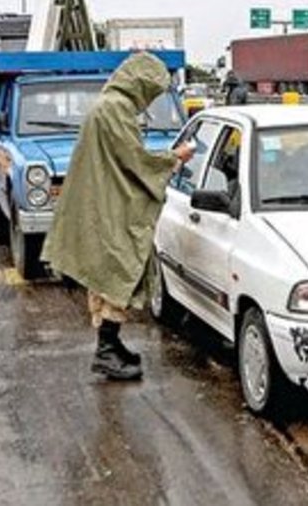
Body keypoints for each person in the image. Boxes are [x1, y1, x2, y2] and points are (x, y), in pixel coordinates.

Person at [42, 52, 194, 381]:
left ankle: (109, 344)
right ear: (140, 85)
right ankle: (107, 349)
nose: (149, 102)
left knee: (105, 272)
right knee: (120, 267)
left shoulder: (106, 104)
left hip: (100, 200)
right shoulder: (116, 109)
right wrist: (175, 158)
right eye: (150, 93)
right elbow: (135, 162)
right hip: (109, 205)